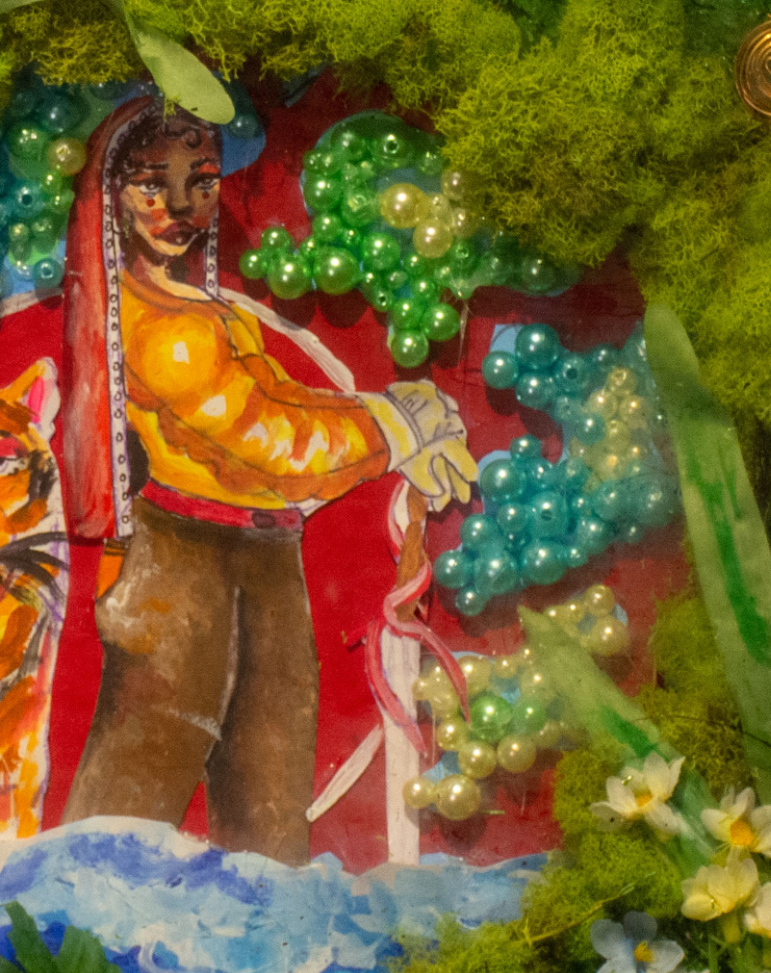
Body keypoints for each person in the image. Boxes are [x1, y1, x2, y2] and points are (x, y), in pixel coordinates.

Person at [60, 96, 474, 864]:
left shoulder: (202, 309)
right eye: (151, 184)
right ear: (112, 193)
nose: (179, 205)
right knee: (127, 811)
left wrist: (389, 421)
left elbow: (289, 405)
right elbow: (269, 443)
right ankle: (73, 925)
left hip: (267, 561)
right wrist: (395, 429)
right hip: (181, 571)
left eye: (201, 180)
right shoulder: (156, 327)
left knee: (270, 816)